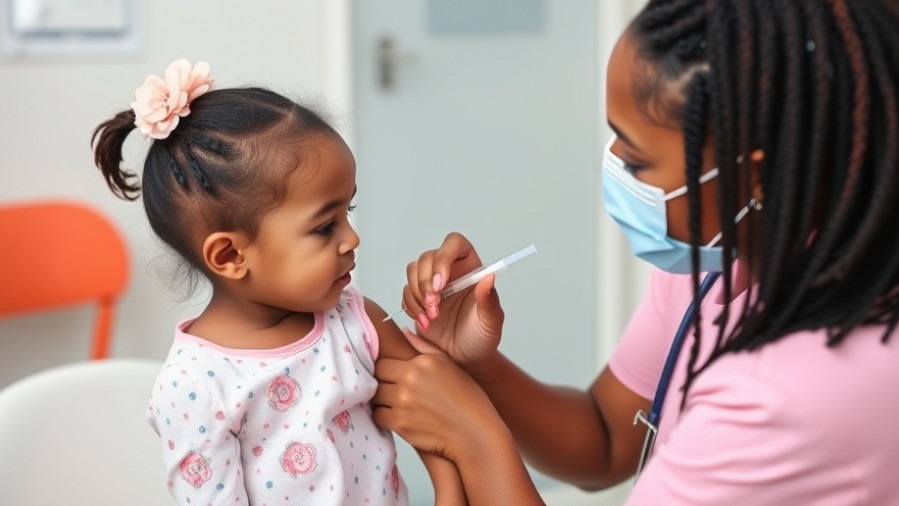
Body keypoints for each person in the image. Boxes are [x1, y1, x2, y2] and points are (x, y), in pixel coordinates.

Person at [372, 0, 899, 504]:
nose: (616, 169)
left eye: (640, 162)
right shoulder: (716, 264)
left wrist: (474, 440)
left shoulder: (783, 397)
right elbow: (607, 439)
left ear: (754, 176)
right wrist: (480, 369)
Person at [91, 59, 465, 506]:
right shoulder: (195, 385)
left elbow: (436, 416)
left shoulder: (356, 318)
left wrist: (448, 492)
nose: (352, 238)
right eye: (325, 226)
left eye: (349, 210)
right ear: (230, 256)